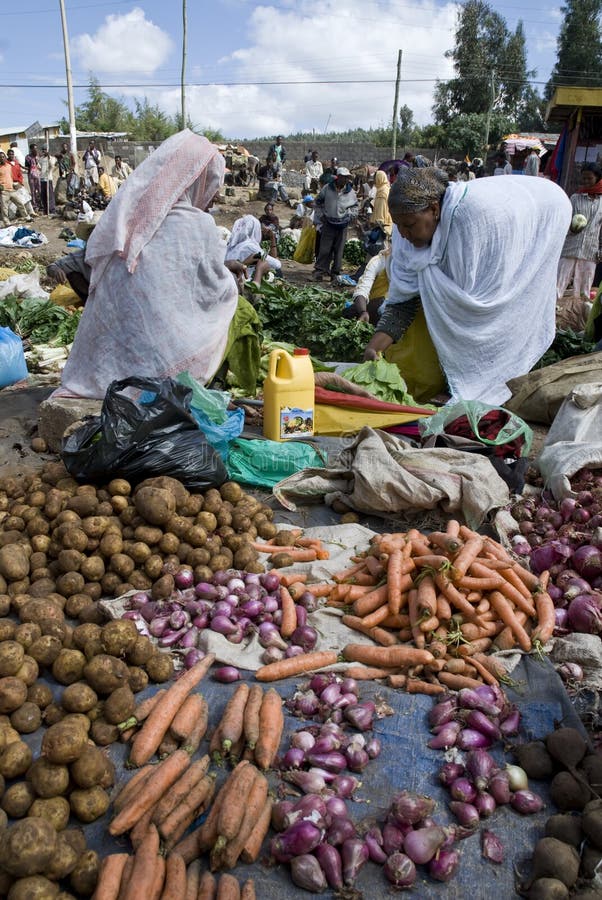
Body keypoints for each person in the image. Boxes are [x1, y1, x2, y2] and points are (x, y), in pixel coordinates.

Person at [56, 130, 256, 400]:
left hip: (106, 359)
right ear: (197, 180)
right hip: (160, 357)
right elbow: (210, 292)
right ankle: (216, 387)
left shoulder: (127, 220)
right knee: (240, 311)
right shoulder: (197, 224)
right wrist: (231, 280)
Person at [363, 166, 572, 404]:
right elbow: (403, 303)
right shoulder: (405, 236)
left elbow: (471, 317)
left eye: (409, 225)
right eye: (398, 225)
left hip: (544, 214)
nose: (403, 233)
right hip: (509, 216)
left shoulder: (472, 223)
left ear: (434, 209)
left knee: (504, 316)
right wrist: (374, 348)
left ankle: (489, 379)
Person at [556, 162, 602, 300]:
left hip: (590, 250)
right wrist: (571, 229)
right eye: (584, 178)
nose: (586, 182)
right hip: (571, 246)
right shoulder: (575, 198)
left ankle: (579, 317)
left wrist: (601, 249)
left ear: (598, 178)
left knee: (584, 289)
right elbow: (565, 221)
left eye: (589, 178)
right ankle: (553, 313)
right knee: (559, 283)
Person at [313, 167, 359, 282]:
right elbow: (318, 202)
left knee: (339, 250)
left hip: (342, 224)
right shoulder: (327, 188)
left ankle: (335, 273)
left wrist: (350, 215)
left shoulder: (350, 192)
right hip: (328, 222)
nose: (345, 180)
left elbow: (355, 207)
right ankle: (320, 270)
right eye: (343, 177)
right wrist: (321, 215)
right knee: (325, 248)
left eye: (346, 178)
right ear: (338, 177)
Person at [225, 214, 282, 280]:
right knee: (277, 271)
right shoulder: (250, 247)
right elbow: (277, 265)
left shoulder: (231, 245)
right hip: (244, 279)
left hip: (231, 278)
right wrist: (273, 239)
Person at [0, 151, 33, 226]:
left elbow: (12, 176)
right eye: (0, 157)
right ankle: (7, 222)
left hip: (12, 189)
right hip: (4, 191)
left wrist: (17, 183)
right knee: (4, 208)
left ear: (5, 157)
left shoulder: (9, 166)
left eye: (3, 157)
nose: (2, 158)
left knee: (20, 203)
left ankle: (27, 217)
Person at [6, 149, 35, 218]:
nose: (11, 156)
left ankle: (31, 212)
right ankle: (11, 216)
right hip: (11, 185)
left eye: (12, 154)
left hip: (18, 183)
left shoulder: (16, 163)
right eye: (10, 154)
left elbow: (20, 174)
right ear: (7, 155)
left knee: (26, 197)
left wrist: (20, 182)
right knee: (13, 202)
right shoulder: (6, 164)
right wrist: (11, 184)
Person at [370, 171, 393, 236]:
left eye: (375, 178)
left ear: (379, 178)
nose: (374, 181)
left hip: (382, 226)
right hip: (388, 222)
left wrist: (378, 224)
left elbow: (381, 212)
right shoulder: (386, 188)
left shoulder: (382, 192)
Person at [24, 144, 42, 211]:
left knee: (40, 190)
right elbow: (27, 167)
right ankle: (35, 205)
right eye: (34, 148)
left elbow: (40, 166)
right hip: (31, 175)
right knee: (33, 191)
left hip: (38, 175)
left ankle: (41, 204)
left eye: (36, 148)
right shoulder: (28, 157)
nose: (36, 150)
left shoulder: (38, 156)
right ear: (31, 149)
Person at [40, 149, 56, 214]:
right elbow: (39, 166)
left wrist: (48, 157)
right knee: (43, 195)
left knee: (50, 195)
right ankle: (46, 210)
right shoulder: (41, 159)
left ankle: (52, 210)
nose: (44, 151)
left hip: (48, 178)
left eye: (45, 150)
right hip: (42, 179)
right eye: (43, 150)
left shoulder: (52, 158)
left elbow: (52, 165)